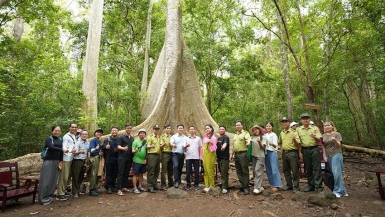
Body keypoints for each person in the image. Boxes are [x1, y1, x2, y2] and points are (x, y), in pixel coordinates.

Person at [38, 126, 68, 205]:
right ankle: (42, 199)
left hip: (57, 161)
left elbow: (62, 151)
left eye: (59, 131)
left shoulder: (60, 140)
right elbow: (51, 147)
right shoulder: (49, 139)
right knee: (46, 179)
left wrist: (61, 160)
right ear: (52, 131)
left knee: (53, 180)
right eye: (55, 130)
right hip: (48, 161)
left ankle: (49, 197)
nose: (57, 132)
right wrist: (62, 149)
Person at [297, 113, 323, 193]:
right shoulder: (298, 129)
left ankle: (319, 187)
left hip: (314, 149)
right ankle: (310, 185)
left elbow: (320, 139)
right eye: (303, 119)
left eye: (307, 118)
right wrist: (299, 152)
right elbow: (297, 142)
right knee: (308, 168)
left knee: (317, 168)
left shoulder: (314, 128)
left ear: (309, 119)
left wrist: (314, 136)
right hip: (304, 150)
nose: (305, 120)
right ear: (301, 120)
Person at [322, 120, 348, 198]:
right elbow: (323, 146)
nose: (327, 127)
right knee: (333, 174)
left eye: (328, 125)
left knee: (337, 173)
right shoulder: (323, 135)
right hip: (328, 155)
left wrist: (335, 140)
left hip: (336, 154)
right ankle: (343, 191)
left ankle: (337, 191)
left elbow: (339, 145)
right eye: (325, 126)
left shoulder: (337, 134)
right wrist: (324, 155)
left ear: (332, 126)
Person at [279, 117, 301, 193]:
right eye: (283, 122)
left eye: (286, 122)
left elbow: (298, 144)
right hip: (285, 153)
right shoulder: (282, 132)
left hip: (292, 153)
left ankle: (296, 186)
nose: (285, 123)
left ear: (289, 123)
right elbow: (280, 142)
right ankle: (289, 185)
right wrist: (281, 150)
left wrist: (294, 139)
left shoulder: (293, 132)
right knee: (286, 170)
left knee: (294, 170)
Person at [56, 123, 77, 200]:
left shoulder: (74, 136)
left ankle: (64, 190)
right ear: (69, 128)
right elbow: (64, 148)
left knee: (68, 176)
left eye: (75, 127)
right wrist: (72, 150)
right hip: (65, 159)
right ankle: (60, 193)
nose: (74, 128)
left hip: (71, 158)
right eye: (72, 127)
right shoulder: (66, 137)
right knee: (63, 176)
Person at [230, 121, 251, 195]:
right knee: (238, 170)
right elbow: (234, 145)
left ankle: (246, 187)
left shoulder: (245, 133)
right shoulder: (235, 135)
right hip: (236, 154)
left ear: (242, 126)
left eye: (239, 125)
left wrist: (248, 142)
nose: (238, 126)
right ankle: (242, 184)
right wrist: (231, 154)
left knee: (244, 170)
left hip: (243, 153)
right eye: (236, 125)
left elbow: (248, 139)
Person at [116, 124, 134, 196]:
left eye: (130, 128)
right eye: (127, 128)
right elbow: (118, 146)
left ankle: (124, 186)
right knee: (121, 173)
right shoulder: (121, 137)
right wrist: (123, 148)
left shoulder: (132, 138)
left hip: (129, 158)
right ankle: (119, 189)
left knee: (126, 172)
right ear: (125, 129)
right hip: (122, 158)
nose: (129, 129)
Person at [71, 130, 90, 198]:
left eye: (86, 134)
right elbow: (74, 152)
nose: (84, 135)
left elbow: (89, 151)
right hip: (77, 161)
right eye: (83, 134)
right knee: (76, 177)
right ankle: (74, 192)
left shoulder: (88, 143)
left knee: (81, 177)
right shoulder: (78, 143)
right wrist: (79, 152)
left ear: (88, 135)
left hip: (84, 161)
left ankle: (78, 190)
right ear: (80, 135)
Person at [264, 122, 282, 192]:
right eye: (267, 126)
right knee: (269, 169)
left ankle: (277, 185)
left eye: (269, 126)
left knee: (274, 169)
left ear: (272, 127)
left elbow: (276, 145)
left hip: (272, 152)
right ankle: (272, 183)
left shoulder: (274, 135)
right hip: (266, 153)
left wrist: (272, 144)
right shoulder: (265, 135)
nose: (268, 127)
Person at [249, 125, 267, 195]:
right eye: (254, 130)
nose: (255, 131)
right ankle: (260, 186)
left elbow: (262, 148)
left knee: (258, 170)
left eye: (256, 129)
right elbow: (249, 143)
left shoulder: (263, 137)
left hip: (260, 156)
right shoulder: (252, 137)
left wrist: (259, 142)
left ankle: (256, 187)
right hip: (254, 156)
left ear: (259, 130)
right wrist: (248, 143)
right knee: (254, 171)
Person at [101, 126, 119, 194]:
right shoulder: (107, 139)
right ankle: (108, 187)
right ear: (111, 131)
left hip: (117, 159)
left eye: (116, 130)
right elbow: (102, 147)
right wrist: (106, 147)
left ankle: (113, 185)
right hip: (109, 159)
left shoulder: (119, 139)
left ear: (118, 132)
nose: (114, 132)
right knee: (108, 174)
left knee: (115, 173)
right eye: (113, 130)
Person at [185, 126, 202, 191]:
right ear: (189, 131)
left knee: (197, 171)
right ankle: (188, 184)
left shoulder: (198, 138)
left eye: (193, 129)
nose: (192, 130)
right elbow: (184, 146)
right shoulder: (186, 138)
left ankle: (196, 184)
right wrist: (186, 146)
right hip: (188, 157)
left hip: (196, 157)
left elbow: (200, 147)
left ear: (195, 130)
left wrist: (200, 156)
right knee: (188, 171)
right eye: (190, 129)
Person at [170, 124, 188, 188]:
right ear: (177, 129)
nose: (180, 129)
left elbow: (184, 145)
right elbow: (171, 142)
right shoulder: (174, 136)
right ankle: (176, 181)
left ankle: (179, 180)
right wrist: (173, 145)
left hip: (182, 155)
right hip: (175, 154)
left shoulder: (185, 137)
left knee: (180, 167)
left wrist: (186, 146)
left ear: (183, 129)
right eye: (179, 128)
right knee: (176, 166)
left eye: (181, 128)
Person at [146, 124, 162, 193]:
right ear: (153, 130)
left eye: (157, 129)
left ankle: (154, 185)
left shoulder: (158, 137)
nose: (156, 130)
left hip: (158, 155)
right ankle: (150, 186)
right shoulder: (150, 137)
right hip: (151, 155)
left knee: (156, 170)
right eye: (155, 129)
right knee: (151, 170)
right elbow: (147, 146)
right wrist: (151, 146)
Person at [132, 129, 148, 194]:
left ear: (145, 134)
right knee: (135, 174)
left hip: (143, 161)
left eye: (143, 133)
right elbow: (132, 151)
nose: (142, 134)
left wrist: (145, 159)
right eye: (141, 133)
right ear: (138, 134)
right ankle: (135, 187)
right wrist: (135, 150)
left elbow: (146, 151)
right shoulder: (135, 142)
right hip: (136, 160)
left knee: (141, 174)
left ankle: (140, 186)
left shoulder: (145, 142)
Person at [202, 124, 217, 192]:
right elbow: (203, 147)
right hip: (204, 156)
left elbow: (214, 148)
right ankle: (206, 185)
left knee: (210, 170)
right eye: (206, 129)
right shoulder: (205, 137)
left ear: (211, 129)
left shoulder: (213, 137)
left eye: (208, 128)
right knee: (205, 171)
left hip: (210, 156)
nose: (207, 129)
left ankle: (212, 185)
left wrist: (210, 143)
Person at [88, 128, 103, 196]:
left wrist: (100, 152)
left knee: (97, 173)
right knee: (94, 174)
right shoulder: (93, 140)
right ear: (95, 133)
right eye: (97, 132)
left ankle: (95, 187)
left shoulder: (99, 141)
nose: (99, 134)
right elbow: (91, 150)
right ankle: (91, 189)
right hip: (94, 158)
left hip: (98, 157)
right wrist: (96, 149)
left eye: (100, 133)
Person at [216, 125, 230, 194]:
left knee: (224, 172)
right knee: (221, 172)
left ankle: (225, 187)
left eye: (222, 129)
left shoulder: (226, 138)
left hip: (225, 158)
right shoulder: (218, 138)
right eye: (220, 129)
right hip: (219, 158)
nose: (221, 130)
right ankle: (223, 184)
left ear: (225, 130)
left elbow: (225, 144)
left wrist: (223, 147)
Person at [160, 124, 174, 190]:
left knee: (170, 170)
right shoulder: (162, 136)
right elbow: (160, 146)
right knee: (164, 170)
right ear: (165, 129)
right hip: (165, 153)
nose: (168, 129)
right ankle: (163, 185)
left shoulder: (172, 137)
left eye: (169, 128)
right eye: (167, 128)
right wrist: (164, 144)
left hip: (171, 153)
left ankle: (171, 184)